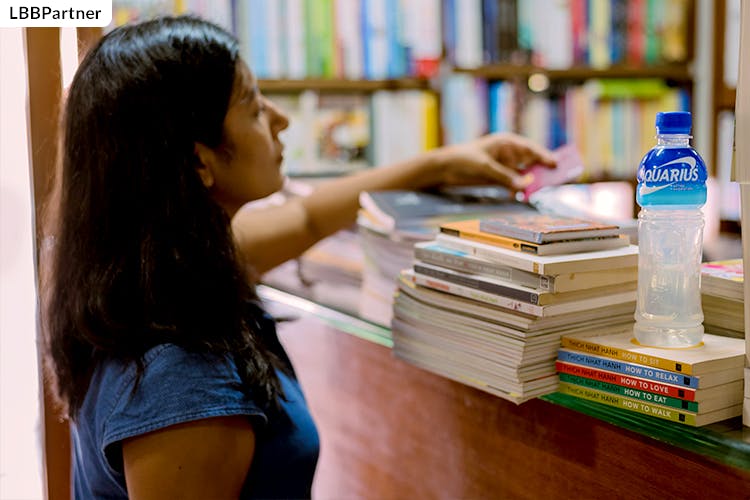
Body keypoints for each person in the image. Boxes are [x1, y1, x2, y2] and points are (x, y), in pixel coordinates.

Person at [41, 15, 556, 499]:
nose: (281, 119)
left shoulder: (164, 274)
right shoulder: (183, 380)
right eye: (253, 104)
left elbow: (310, 218)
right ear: (200, 160)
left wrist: (440, 164)